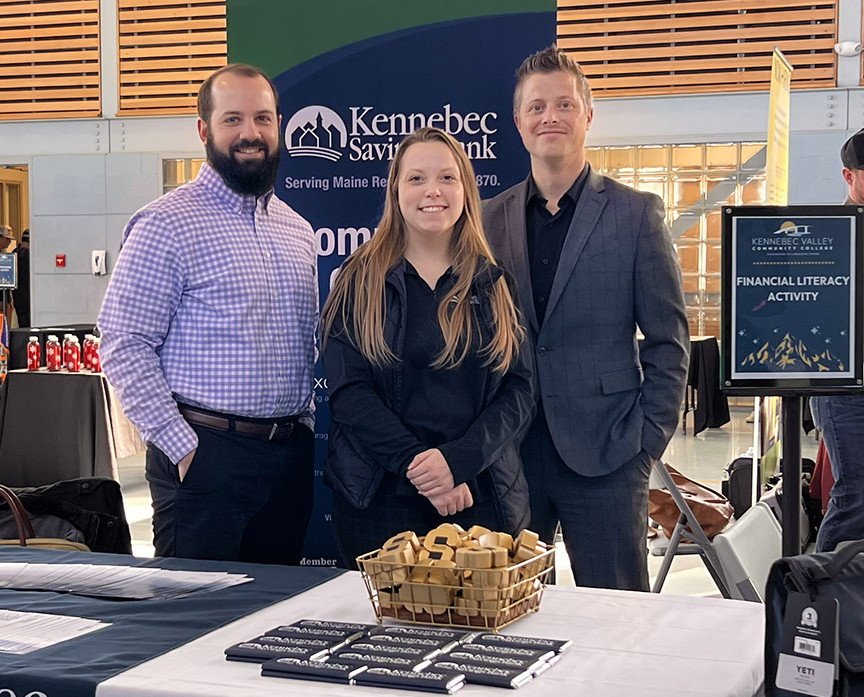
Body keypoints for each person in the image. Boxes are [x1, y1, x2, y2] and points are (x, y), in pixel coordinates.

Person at [483, 46, 689, 591]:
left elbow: (669, 340)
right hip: (510, 454)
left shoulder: (635, 213)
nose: (550, 116)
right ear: (519, 122)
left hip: (609, 454)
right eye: (537, 107)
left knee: (620, 618)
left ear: (587, 115)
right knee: (510, 619)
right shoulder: (486, 219)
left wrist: (646, 444)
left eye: (564, 104)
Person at [98, 63, 318, 564]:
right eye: (233, 119)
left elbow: (302, 343)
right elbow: (123, 342)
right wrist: (181, 446)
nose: (250, 133)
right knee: (192, 622)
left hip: (287, 459)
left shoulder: (297, 230)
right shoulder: (166, 224)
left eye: (263, 118)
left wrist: (302, 427)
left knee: (273, 624)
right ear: (204, 130)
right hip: (204, 456)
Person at [321, 127, 534, 567]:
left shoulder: (495, 282)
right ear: (395, 190)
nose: (431, 191)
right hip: (378, 502)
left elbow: (519, 391)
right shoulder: (357, 281)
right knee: (383, 634)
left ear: (466, 190)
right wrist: (424, 468)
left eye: (447, 178)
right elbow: (348, 393)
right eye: (416, 178)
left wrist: (456, 463)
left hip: (479, 500)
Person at [810, 129, 864, 551]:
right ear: (848, 176)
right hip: (845, 387)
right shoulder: (828, 233)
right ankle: (817, 601)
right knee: (854, 495)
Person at [13, 229, 29, 328]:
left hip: (17, 297)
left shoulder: (14, 253)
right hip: (28, 297)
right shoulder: (29, 256)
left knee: (22, 323)